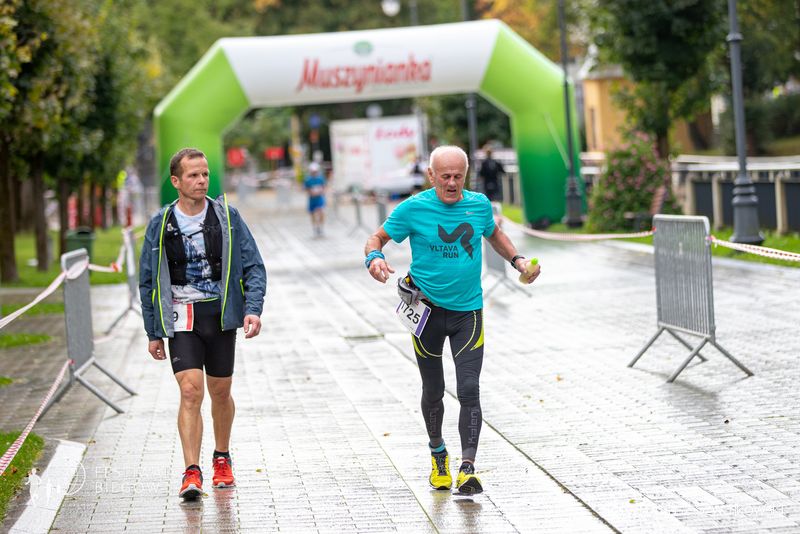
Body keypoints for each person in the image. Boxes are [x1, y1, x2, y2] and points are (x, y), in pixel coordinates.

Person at [363, 145, 541, 495]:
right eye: (444, 176)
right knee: (433, 390)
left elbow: (494, 234)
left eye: (458, 176)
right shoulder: (414, 208)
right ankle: (438, 454)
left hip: (467, 312)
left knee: (469, 388)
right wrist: (374, 257)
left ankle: (468, 468)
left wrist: (518, 260)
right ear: (431, 175)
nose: (452, 183)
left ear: (466, 174)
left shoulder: (478, 205)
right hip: (426, 312)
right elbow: (377, 237)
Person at [139, 148, 266, 500]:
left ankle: (221, 457)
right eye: (193, 175)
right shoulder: (161, 223)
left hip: (219, 315)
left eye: (205, 174)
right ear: (176, 181)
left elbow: (254, 265)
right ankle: (191, 471)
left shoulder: (227, 217)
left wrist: (253, 309)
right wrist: (153, 332)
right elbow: (147, 281)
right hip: (182, 318)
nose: (201, 181)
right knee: (190, 390)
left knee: (220, 391)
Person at [304, 161, 327, 237]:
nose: (314, 173)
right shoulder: (308, 180)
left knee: (321, 212)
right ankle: (315, 227)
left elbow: (324, 187)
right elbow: (306, 189)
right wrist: (311, 192)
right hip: (312, 199)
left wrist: (321, 191)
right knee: (313, 214)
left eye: (315, 171)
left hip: (319, 198)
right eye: (313, 171)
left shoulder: (320, 178)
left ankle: (321, 227)